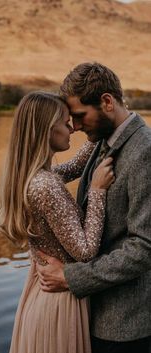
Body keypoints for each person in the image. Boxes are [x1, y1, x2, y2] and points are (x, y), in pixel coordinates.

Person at [36, 62, 151, 353]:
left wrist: (69, 277)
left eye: (78, 116)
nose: (73, 126)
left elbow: (144, 248)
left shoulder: (144, 152)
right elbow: (60, 173)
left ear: (107, 102)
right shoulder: (104, 138)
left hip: (124, 326)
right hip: (94, 314)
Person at [0, 91, 115, 353]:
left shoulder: (30, 177)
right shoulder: (46, 185)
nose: (72, 127)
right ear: (47, 130)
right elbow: (85, 251)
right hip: (60, 304)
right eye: (65, 122)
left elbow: (73, 167)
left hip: (40, 295)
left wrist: (100, 128)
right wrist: (97, 191)